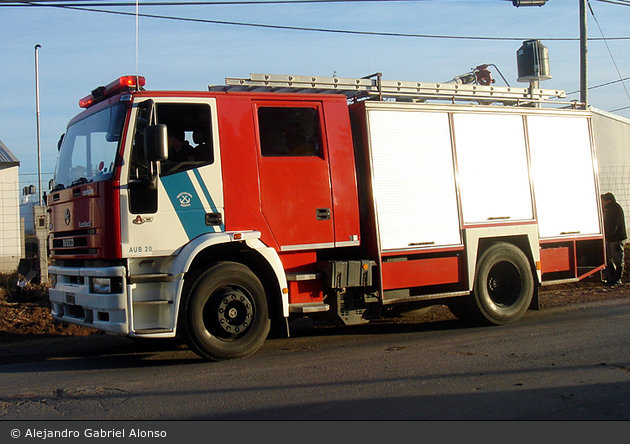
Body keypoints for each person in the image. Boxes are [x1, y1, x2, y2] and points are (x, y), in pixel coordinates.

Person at [601, 192, 627, 287]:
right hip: (615, 238)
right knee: (614, 258)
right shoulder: (613, 208)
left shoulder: (613, 210)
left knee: (616, 258)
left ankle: (616, 279)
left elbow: (612, 226)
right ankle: (614, 278)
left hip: (615, 239)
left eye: (603, 200)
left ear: (608, 201)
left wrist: (606, 236)